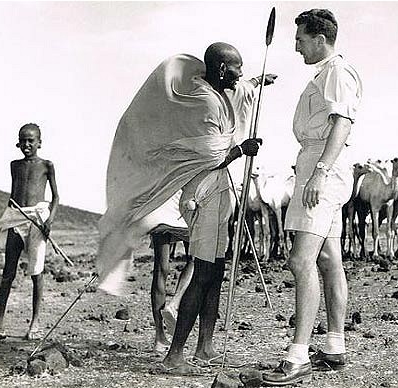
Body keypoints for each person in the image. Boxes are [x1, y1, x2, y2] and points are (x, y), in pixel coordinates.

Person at [95, 42, 276, 373]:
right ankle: (174, 355)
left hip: (220, 193)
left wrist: (256, 83)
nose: (241, 74)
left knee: (215, 272)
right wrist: (241, 149)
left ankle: (205, 347)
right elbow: (211, 154)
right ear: (222, 70)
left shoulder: (218, 93)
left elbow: (236, 96)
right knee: (203, 272)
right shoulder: (204, 100)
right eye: (238, 68)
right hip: (203, 196)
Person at [263, 9, 362, 387]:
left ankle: (297, 355)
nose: (296, 46)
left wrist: (319, 172)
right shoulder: (324, 74)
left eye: (301, 39)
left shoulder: (336, 72)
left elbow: (343, 122)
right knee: (327, 256)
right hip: (317, 165)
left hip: (324, 169)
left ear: (320, 39)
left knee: (299, 260)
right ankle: (335, 346)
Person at [0, 123, 59, 340]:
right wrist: (11, 214)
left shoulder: (47, 165)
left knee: (36, 272)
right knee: (7, 273)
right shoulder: (14, 165)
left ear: (40, 142)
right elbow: (14, 195)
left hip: (37, 219)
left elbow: (56, 197)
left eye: (31, 140)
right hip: (16, 217)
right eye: (23, 140)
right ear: (18, 142)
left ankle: (35, 323)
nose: (27, 144)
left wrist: (50, 219)